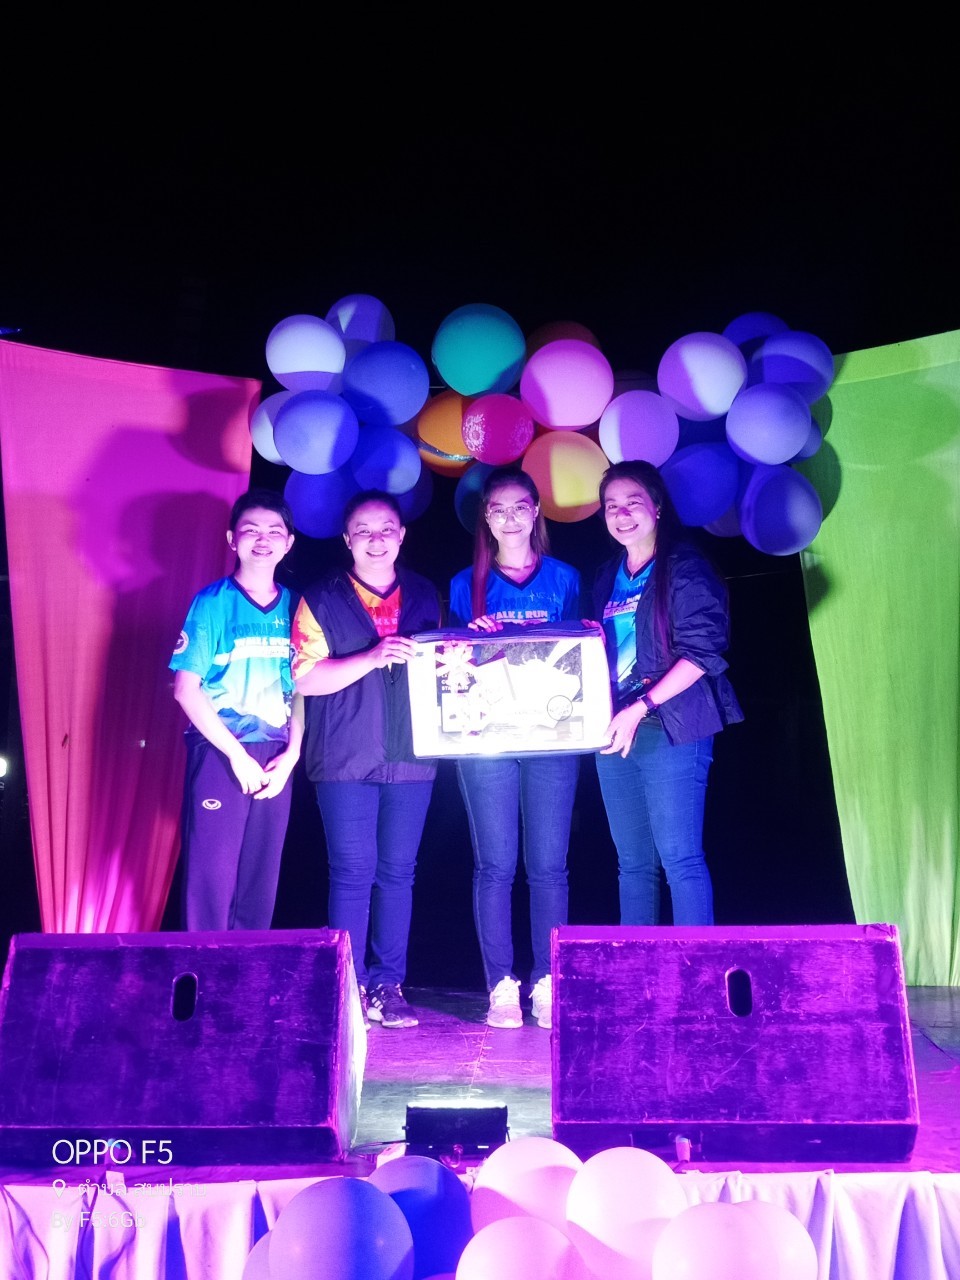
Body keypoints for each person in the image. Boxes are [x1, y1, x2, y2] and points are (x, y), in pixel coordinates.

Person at [290, 489, 441, 1029]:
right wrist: (373, 657)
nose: (376, 540)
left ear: (402, 536)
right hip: (344, 755)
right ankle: (348, 986)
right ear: (346, 539)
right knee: (353, 872)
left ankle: (387, 985)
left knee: (399, 873)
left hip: (413, 753)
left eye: (385, 530)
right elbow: (305, 677)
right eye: (363, 531)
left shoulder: (425, 594)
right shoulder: (321, 597)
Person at [449, 466, 582, 1031]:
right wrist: (468, 640)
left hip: (553, 738)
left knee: (548, 866)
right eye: (498, 508)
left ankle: (548, 981)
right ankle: (501, 985)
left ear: (535, 512)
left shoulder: (565, 578)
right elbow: (449, 668)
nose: (509, 517)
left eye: (519, 507)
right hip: (489, 739)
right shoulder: (465, 584)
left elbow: (582, 655)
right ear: (486, 516)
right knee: (495, 865)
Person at [592, 459, 743, 926]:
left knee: (681, 859)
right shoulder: (607, 575)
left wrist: (641, 707)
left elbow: (702, 653)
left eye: (633, 502)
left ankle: (694, 970)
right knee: (632, 864)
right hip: (615, 728)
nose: (622, 514)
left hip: (671, 724)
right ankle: (639, 967)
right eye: (611, 505)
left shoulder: (685, 567)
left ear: (656, 506)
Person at [170, 487, 303, 931]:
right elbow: (185, 690)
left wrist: (292, 755)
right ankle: (204, 970)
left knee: (260, 882)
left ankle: (249, 972)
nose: (263, 540)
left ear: (289, 542)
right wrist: (236, 755)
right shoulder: (212, 602)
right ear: (232, 539)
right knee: (212, 877)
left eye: (274, 531)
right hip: (222, 750)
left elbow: (303, 688)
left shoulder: (297, 607)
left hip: (276, 755)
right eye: (251, 530)